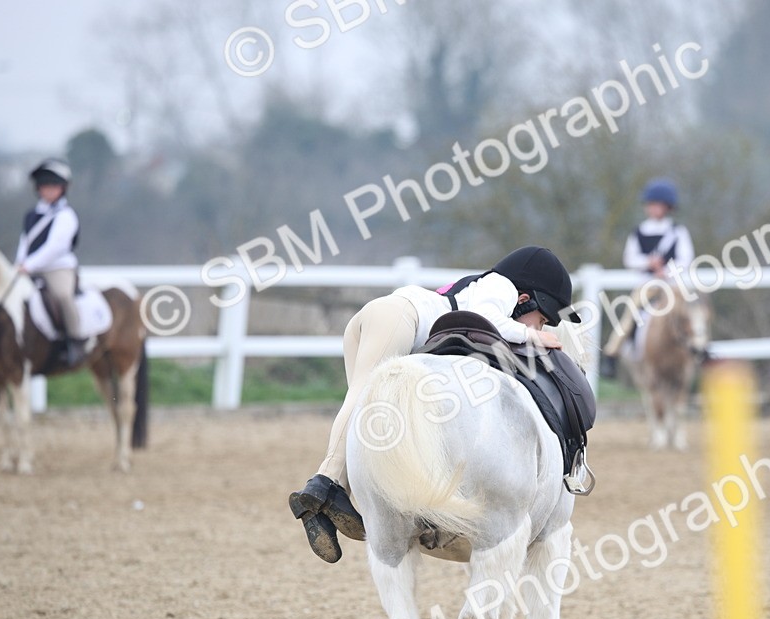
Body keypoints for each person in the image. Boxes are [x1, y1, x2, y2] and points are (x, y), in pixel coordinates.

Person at [288, 245, 582, 564]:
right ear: (526, 298)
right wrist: (530, 337)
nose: (538, 328)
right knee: (365, 406)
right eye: (539, 320)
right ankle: (324, 484)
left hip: (380, 320)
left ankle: (338, 495)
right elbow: (490, 318)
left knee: (372, 423)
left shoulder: (484, 288)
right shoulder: (501, 287)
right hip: (399, 318)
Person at [599, 178, 695, 379]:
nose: (654, 209)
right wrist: (647, 264)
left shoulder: (678, 232)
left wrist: (667, 271)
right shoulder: (639, 232)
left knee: (691, 314)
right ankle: (612, 353)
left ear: (667, 207)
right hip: (648, 284)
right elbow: (630, 258)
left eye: (658, 205)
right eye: (651, 205)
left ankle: (697, 348)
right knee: (628, 316)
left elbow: (685, 258)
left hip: (671, 285)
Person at [15, 158, 85, 369]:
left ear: (62, 189)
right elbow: (25, 242)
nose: (49, 191)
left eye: (53, 187)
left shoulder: (66, 216)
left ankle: (75, 340)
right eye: (45, 186)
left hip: (58, 268)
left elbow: (55, 248)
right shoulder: (32, 215)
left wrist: (30, 265)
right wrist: (19, 263)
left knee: (63, 296)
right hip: (29, 266)